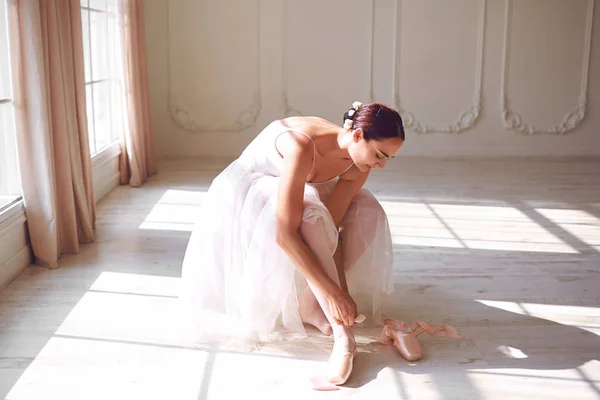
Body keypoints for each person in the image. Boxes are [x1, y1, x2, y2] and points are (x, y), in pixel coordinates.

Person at [178, 101, 405, 385]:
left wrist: (339, 290)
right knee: (310, 216)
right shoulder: (300, 146)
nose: (381, 165)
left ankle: (310, 304)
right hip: (255, 186)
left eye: (388, 159)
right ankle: (343, 337)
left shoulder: (359, 164)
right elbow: (284, 234)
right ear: (358, 135)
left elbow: (329, 229)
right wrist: (333, 294)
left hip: (303, 188)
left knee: (367, 212)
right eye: (379, 155)